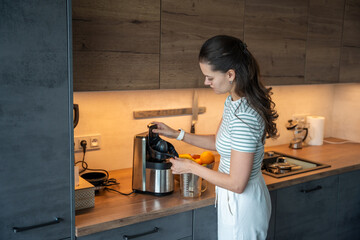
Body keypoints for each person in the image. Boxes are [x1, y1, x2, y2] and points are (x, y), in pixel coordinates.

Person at [152, 35, 278, 240]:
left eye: (210, 77)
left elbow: (237, 183)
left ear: (230, 74)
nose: (206, 82)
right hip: (233, 201)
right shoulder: (233, 102)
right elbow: (217, 142)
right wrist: (177, 134)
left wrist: (190, 167)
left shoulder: (244, 117)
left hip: (243, 206)